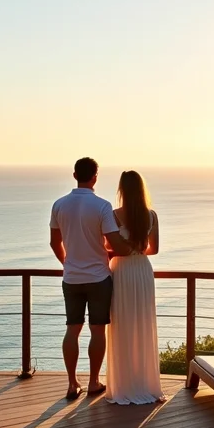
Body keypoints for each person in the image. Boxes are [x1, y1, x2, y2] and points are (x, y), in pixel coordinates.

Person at [50, 157, 131, 400]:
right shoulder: (102, 206)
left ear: (74, 175)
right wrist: (130, 249)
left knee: (72, 329)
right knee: (97, 330)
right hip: (98, 277)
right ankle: (94, 381)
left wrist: (67, 263)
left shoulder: (59, 205)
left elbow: (55, 242)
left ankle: (72, 383)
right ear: (95, 176)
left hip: (71, 278)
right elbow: (114, 242)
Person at [106, 170, 165, 404]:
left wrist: (124, 250)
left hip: (121, 270)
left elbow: (107, 247)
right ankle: (144, 382)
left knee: (122, 325)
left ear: (122, 190)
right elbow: (154, 249)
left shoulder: (114, 215)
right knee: (143, 322)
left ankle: (124, 384)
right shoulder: (151, 215)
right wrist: (137, 250)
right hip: (142, 270)